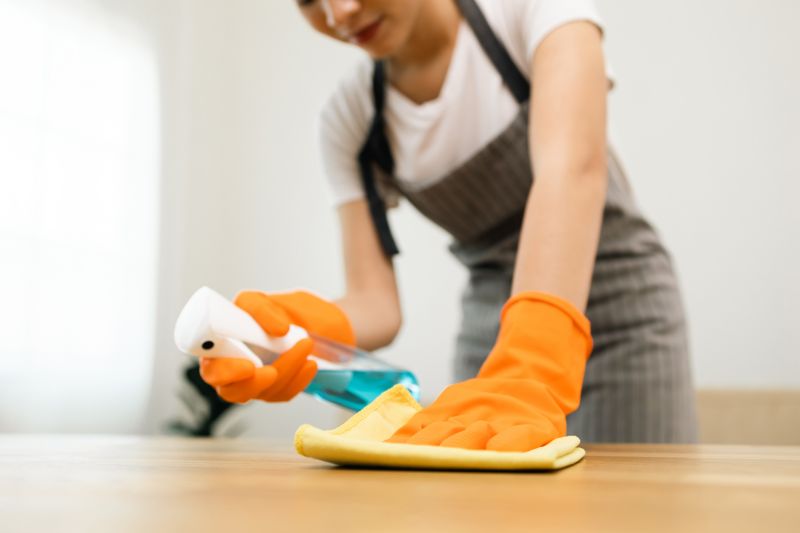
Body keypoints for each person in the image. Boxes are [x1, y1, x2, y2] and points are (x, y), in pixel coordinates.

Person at [191, 0, 698, 446]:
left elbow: (571, 173)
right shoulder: (352, 122)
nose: (338, 11)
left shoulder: (526, 11)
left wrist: (533, 361)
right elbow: (378, 306)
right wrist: (298, 334)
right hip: (493, 330)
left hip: (623, 317)